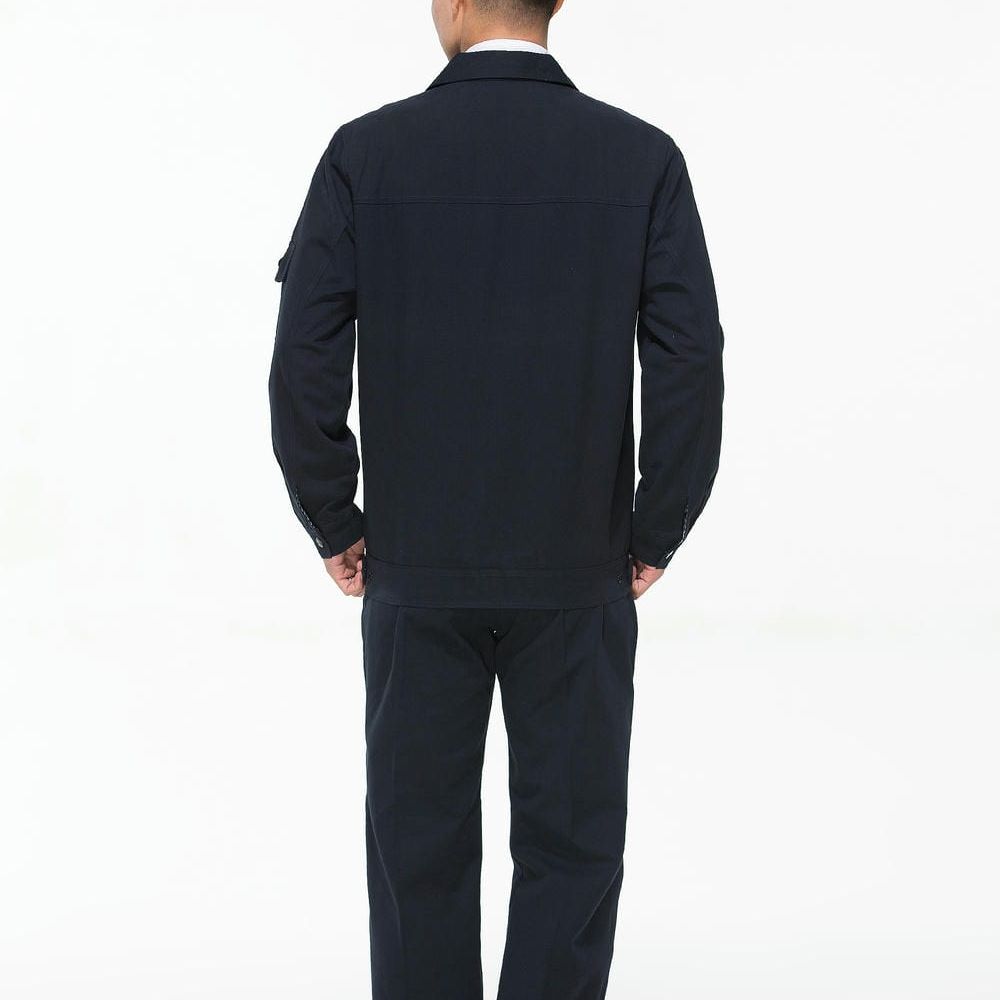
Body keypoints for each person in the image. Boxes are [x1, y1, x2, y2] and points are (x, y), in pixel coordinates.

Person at [268, 0, 723, 995]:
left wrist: (334, 518)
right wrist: (656, 528)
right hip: (578, 566)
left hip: (414, 568)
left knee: (416, 848)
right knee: (573, 847)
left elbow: (305, 356)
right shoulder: (640, 158)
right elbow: (689, 360)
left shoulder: (365, 155)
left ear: (457, 2)